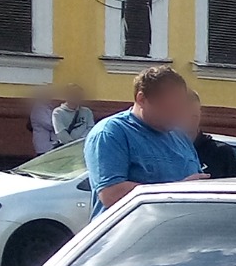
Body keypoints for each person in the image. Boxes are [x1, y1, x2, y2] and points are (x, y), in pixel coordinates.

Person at [87, 65, 208, 208]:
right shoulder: (111, 133)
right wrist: (175, 190)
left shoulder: (180, 136)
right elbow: (110, 194)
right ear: (141, 99)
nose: (177, 114)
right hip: (134, 229)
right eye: (169, 107)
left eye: (180, 106)